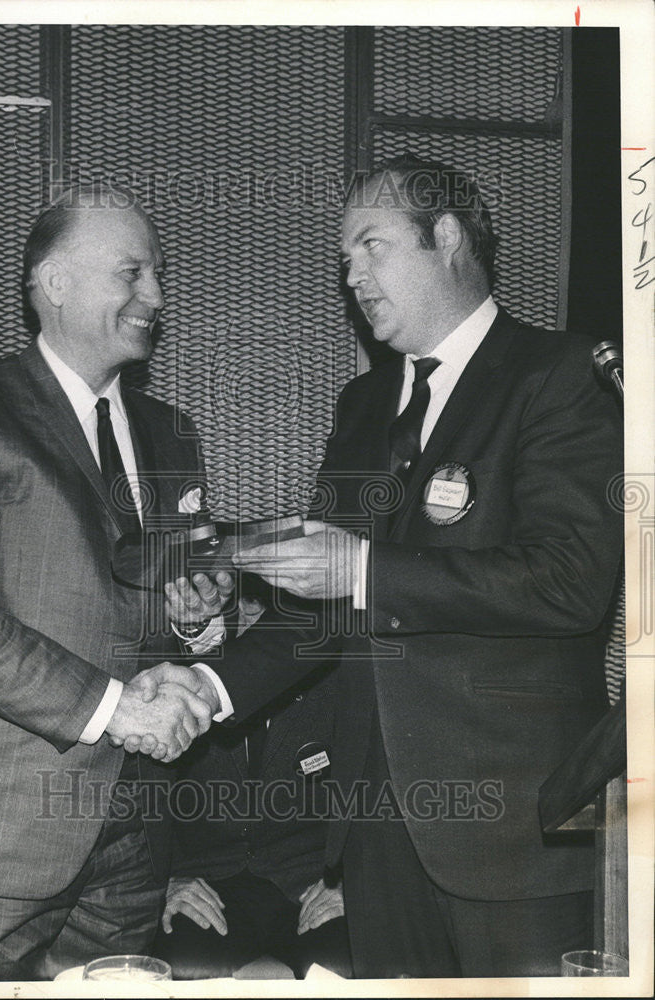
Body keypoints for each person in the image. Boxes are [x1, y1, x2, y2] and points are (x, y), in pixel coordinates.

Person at [134, 153, 624, 977]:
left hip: (516, 830)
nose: (352, 276)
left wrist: (362, 567)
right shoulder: (363, 405)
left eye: (370, 247)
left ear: (446, 236)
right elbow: (319, 600)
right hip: (370, 836)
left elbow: (569, 583)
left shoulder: (561, 377)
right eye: (344, 259)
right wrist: (207, 687)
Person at [0, 183, 228, 982]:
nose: (157, 296)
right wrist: (117, 711)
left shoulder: (172, 433)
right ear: (55, 282)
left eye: (160, 275)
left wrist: (202, 619)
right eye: (133, 273)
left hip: (137, 833)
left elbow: (180, 601)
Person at [152, 655, 353, 980]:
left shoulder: (335, 672)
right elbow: (145, 797)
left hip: (310, 881)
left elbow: (375, 796)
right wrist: (170, 882)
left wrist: (349, 885)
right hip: (208, 881)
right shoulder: (186, 676)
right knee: (183, 963)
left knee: (338, 967)